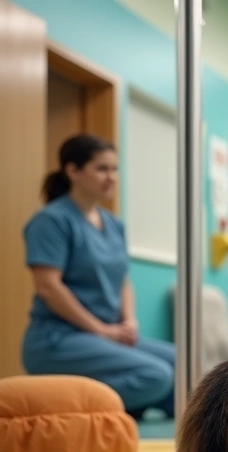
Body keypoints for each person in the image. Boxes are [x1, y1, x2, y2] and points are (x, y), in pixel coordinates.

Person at [22, 134, 175, 418]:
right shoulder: (52, 221)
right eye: (102, 169)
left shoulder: (114, 224)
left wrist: (129, 320)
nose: (111, 177)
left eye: (115, 169)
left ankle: (129, 406)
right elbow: (48, 287)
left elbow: (123, 279)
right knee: (156, 375)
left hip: (108, 333)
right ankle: (56, 405)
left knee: (183, 366)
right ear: (73, 171)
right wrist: (101, 330)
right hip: (58, 339)